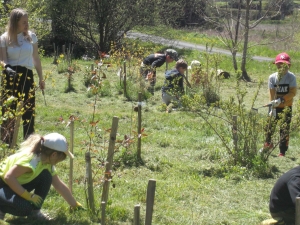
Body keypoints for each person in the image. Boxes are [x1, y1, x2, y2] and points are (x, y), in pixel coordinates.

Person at [0, 132, 84, 221]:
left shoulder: (46, 162)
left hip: (13, 184)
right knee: (25, 208)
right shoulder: (30, 161)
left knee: (46, 176)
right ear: (54, 155)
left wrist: (75, 205)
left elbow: (58, 185)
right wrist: (28, 196)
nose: (60, 161)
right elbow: (8, 177)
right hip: (3, 185)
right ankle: (1, 209)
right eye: (61, 158)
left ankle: (35, 213)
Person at [0, 8, 45, 144]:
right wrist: (7, 68)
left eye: (27, 22)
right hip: (11, 75)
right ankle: (7, 142)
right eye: (23, 22)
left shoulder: (31, 37)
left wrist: (41, 78)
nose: (27, 25)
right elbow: (3, 59)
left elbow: (35, 58)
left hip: (27, 74)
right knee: (9, 109)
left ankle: (29, 143)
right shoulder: (4, 38)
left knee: (29, 109)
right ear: (15, 22)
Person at [262, 52, 297, 157]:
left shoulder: (291, 77)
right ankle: (268, 143)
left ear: (288, 66)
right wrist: (272, 104)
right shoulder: (272, 78)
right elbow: (272, 93)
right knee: (269, 126)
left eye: (284, 65)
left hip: (286, 107)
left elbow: (292, 93)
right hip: (275, 107)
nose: (282, 67)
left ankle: (282, 151)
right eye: (279, 64)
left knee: (284, 129)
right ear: (276, 65)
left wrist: (282, 99)